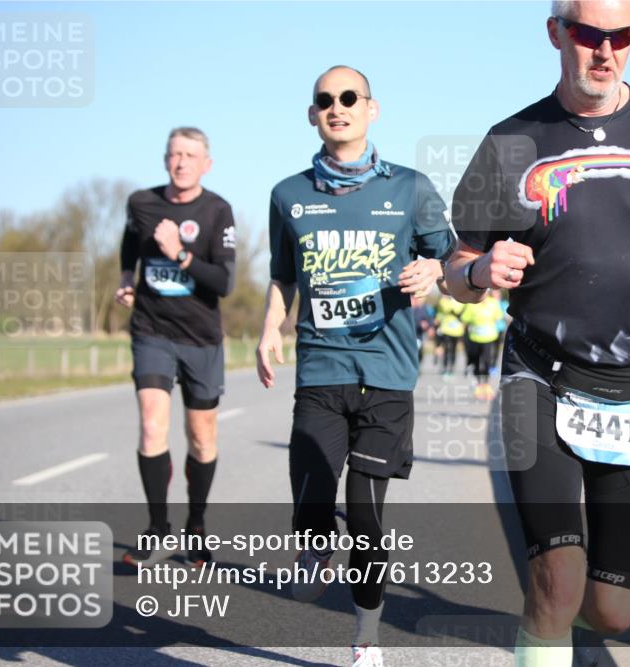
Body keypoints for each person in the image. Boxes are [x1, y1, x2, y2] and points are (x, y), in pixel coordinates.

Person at [444, 1, 630, 664]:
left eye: (623, 36)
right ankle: (547, 628)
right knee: (556, 583)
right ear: (555, 32)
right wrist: (482, 267)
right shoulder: (511, 139)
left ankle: (571, 631)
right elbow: (452, 267)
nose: (605, 52)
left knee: (612, 608)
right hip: (540, 379)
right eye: (588, 34)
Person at [256, 65, 453, 667]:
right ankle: (315, 542)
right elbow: (284, 276)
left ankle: (366, 632)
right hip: (321, 370)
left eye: (349, 97)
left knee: (366, 516)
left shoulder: (412, 188)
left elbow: (452, 256)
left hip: (388, 374)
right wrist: (270, 326)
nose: (336, 106)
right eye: (325, 100)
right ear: (313, 115)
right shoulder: (288, 195)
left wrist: (435, 272)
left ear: (372, 109)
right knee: (313, 502)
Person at [116, 127, 236, 567]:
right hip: (151, 331)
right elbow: (130, 240)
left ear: (206, 163)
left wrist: (178, 252)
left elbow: (224, 282)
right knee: (152, 425)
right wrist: (127, 277)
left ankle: (197, 524)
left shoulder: (218, 210)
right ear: (165, 159)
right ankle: (156, 527)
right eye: (174, 154)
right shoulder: (142, 202)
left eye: (190, 155)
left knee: (202, 438)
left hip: (201, 337)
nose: (181, 162)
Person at [460, 290, 505, 400]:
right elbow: (465, 318)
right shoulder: (472, 303)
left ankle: (486, 384)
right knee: (476, 360)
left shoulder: (493, 303)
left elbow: (499, 316)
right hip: (474, 337)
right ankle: (479, 384)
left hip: (489, 337)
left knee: (487, 361)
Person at [434, 294, 466, 377]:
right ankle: (444, 367)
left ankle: (451, 367)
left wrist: (453, 303)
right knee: (447, 348)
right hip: (446, 329)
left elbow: (458, 311)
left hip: (456, 331)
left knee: (453, 350)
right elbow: (443, 310)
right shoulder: (443, 301)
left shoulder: (461, 301)